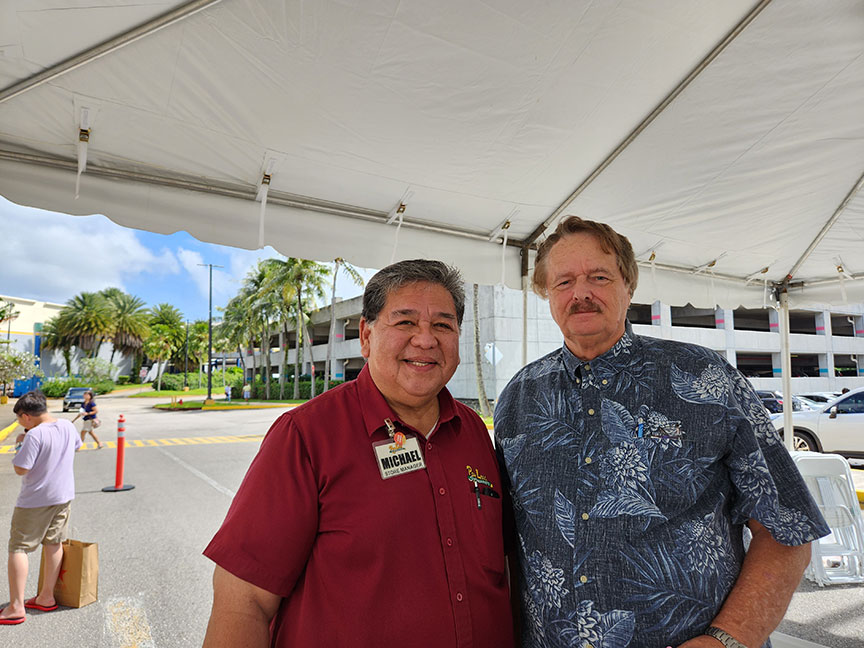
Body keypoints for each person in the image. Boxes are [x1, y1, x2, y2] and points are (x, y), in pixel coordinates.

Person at [494, 216, 829, 648]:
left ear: (628, 285)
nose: (581, 293)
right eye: (563, 282)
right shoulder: (519, 399)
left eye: (599, 276)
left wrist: (727, 640)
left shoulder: (705, 378)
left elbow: (786, 530)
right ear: (546, 293)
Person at [203, 259, 514, 648]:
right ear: (365, 336)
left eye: (442, 325)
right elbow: (243, 601)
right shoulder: (305, 436)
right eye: (405, 322)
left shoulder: (473, 432)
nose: (425, 340)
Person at [0, 390, 81, 625]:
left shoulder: (34, 436)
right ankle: (46, 597)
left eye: (18, 419)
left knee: (19, 548)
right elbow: (77, 446)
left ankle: (16, 607)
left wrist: (19, 445)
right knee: (54, 543)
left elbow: (21, 468)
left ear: (26, 416)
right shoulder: (67, 426)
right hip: (63, 496)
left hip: (35, 500)